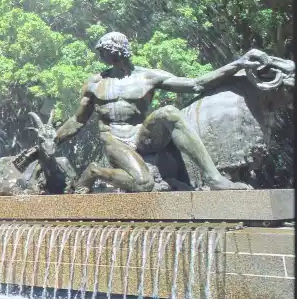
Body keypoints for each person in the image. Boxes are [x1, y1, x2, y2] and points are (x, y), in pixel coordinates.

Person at [54, 32, 259, 192]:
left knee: (169, 112)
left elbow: (196, 84)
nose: (101, 55)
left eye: (104, 50)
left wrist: (237, 64)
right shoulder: (95, 82)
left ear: (118, 51)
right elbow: (77, 120)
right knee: (144, 184)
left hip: (142, 136)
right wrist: (54, 140)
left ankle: (214, 178)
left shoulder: (148, 76)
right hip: (114, 141)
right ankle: (95, 171)